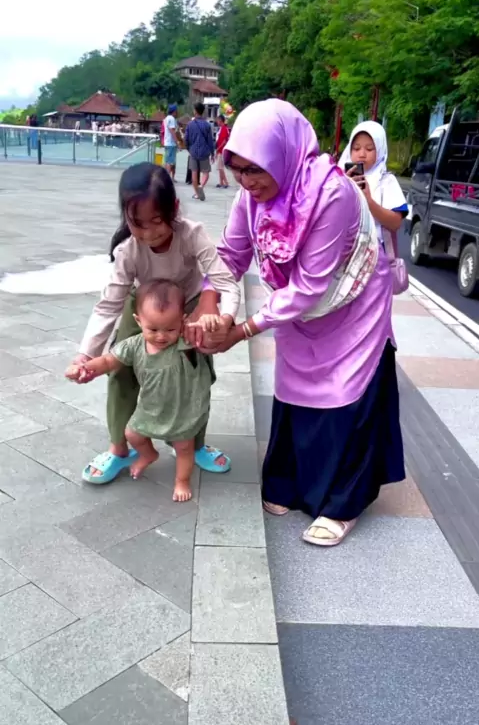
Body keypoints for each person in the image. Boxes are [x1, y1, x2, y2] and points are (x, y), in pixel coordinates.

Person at [210, 99, 405, 547]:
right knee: (294, 387)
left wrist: (242, 331)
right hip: (296, 304)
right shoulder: (250, 197)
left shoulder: (331, 193)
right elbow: (230, 255)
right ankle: (289, 483)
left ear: (282, 155)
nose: (247, 181)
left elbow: (311, 285)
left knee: (343, 393)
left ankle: (342, 503)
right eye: (237, 170)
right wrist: (209, 306)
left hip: (352, 304)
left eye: (255, 169)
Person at [69, 162, 241, 484]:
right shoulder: (128, 250)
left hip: (187, 307)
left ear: (173, 208)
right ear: (126, 217)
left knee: (195, 376)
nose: (148, 233)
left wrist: (224, 318)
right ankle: (120, 448)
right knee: (120, 370)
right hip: (143, 308)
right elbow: (109, 305)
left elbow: (226, 283)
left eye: (157, 221)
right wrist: (85, 355)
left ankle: (194, 444)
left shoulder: (192, 234)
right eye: (137, 223)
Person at [66, 280, 219, 502]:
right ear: (139, 321)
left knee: (184, 448)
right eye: (153, 329)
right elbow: (108, 361)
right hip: (151, 407)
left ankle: (182, 481)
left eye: (170, 329)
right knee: (132, 434)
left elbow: (210, 339)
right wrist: (85, 367)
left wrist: (209, 322)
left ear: (183, 321)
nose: (161, 336)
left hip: (182, 411)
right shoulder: (134, 345)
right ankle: (149, 454)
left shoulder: (185, 342)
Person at [339, 121, 409, 283]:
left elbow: (395, 223)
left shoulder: (387, 181)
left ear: (380, 149)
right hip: (342, 259)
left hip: (375, 263)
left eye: (369, 149)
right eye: (356, 148)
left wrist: (369, 202)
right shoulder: (338, 178)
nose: (362, 154)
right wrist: (342, 187)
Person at [185, 103, 215, 201]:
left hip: (193, 152)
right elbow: (210, 141)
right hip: (204, 152)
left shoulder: (190, 124)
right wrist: (212, 153)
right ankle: (201, 186)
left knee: (194, 174)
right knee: (206, 172)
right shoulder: (207, 125)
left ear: (195, 111)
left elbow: (186, 139)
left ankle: (197, 194)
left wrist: (189, 149)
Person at [164, 104, 180, 180]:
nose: (177, 112)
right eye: (176, 111)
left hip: (167, 142)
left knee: (167, 160)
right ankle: (167, 179)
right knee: (170, 162)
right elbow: (172, 131)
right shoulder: (172, 119)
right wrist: (177, 142)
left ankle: (166, 177)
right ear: (174, 111)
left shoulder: (166, 118)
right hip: (171, 143)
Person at [215, 114, 230, 189]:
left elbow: (224, 141)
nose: (217, 121)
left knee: (220, 167)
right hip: (220, 150)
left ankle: (226, 182)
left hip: (221, 150)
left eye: (218, 120)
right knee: (220, 167)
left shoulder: (224, 128)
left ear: (220, 120)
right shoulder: (221, 128)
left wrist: (218, 149)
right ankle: (221, 182)